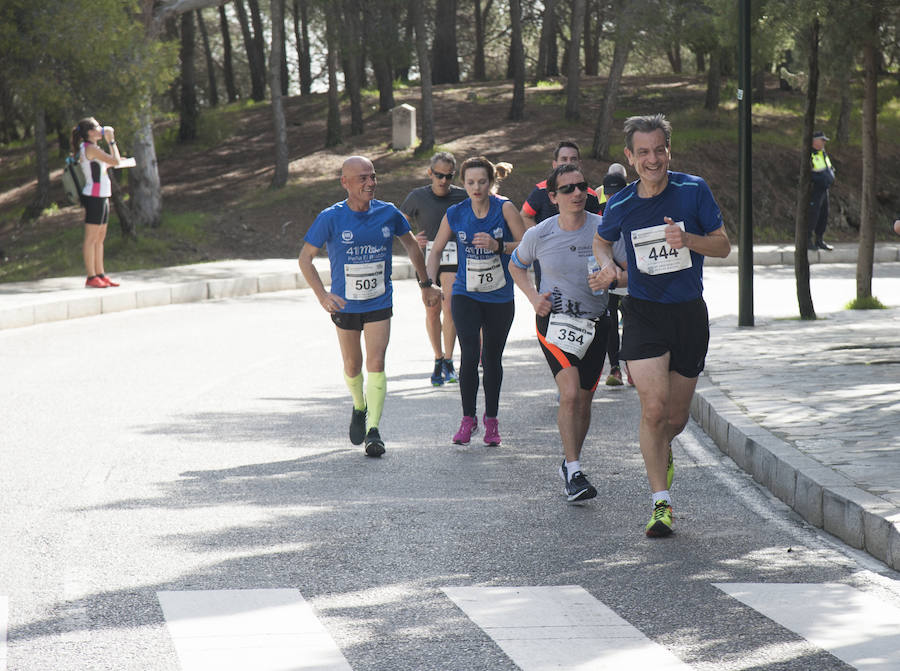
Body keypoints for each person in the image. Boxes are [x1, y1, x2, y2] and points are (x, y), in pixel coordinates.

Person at [592, 114, 731, 538]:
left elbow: (724, 245)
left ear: (669, 151)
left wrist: (688, 240)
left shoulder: (694, 190)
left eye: (660, 150)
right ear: (630, 157)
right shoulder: (619, 204)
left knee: (674, 417)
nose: (653, 160)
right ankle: (660, 504)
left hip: (688, 313)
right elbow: (602, 240)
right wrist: (608, 268)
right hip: (644, 313)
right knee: (652, 410)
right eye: (644, 152)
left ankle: (663, 449)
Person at [299, 156, 441, 457]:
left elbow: (412, 245)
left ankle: (374, 430)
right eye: (362, 178)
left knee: (376, 362)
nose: (370, 183)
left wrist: (426, 284)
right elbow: (305, 259)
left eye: (373, 176)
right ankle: (360, 405)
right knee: (352, 365)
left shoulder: (388, 213)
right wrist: (323, 295)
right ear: (345, 183)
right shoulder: (331, 217)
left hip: (379, 300)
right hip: (345, 304)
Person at [510, 163, 627, 502]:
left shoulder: (604, 229)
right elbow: (516, 264)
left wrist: (612, 278)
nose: (577, 193)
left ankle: (570, 461)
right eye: (568, 189)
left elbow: (627, 273)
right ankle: (575, 471)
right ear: (553, 197)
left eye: (581, 186)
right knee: (571, 394)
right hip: (555, 322)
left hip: (597, 323)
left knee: (585, 401)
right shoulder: (539, 234)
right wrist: (534, 298)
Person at [426, 156, 525, 447]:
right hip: (465, 295)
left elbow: (527, 245)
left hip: (499, 297)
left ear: (491, 182)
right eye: (470, 182)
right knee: (469, 354)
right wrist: (429, 283)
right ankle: (467, 420)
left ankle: (491, 421)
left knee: (491, 359)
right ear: (464, 183)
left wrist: (499, 246)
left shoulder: (504, 208)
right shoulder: (456, 213)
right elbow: (435, 251)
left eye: (482, 181)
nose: (476, 187)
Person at [400, 152, 468, 386]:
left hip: (453, 257)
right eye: (438, 175)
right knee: (432, 309)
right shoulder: (417, 196)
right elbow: (399, 223)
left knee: (450, 306)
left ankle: (449, 360)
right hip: (427, 258)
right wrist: (412, 239)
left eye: (448, 176)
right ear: (430, 173)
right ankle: (438, 358)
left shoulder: (462, 195)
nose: (443, 181)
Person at [520, 141, 602, 287]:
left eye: (573, 159)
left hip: (582, 255)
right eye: (564, 159)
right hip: (549, 254)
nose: (568, 163)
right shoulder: (540, 190)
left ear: (580, 163)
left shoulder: (589, 194)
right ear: (554, 164)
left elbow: (600, 228)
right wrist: (541, 240)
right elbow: (525, 215)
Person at [71, 118, 121, 288]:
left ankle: (100, 274)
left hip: (102, 195)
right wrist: (111, 141)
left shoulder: (93, 149)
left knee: (100, 238)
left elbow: (106, 165)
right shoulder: (90, 148)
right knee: (91, 238)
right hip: (94, 196)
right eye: (97, 127)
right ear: (90, 132)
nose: (101, 129)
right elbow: (115, 161)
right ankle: (91, 276)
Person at [598, 163, 630, 386]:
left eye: (615, 194)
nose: (611, 198)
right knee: (610, 323)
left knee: (629, 321)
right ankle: (615, 368)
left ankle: (630, 366)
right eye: (608, 194)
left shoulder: (636, 205)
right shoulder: (600, 210)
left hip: (632, 275)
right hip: (610, 273)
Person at [808, 130, 835, 252]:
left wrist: (830, 177)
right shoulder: (810, 154)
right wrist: (819, 180)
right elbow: (808, 174)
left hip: (824, 189)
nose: (824, 142)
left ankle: (819, 240)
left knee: (823, 215)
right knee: (812, 215)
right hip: (814, 190)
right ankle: (807, 240)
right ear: (814, 141)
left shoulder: (822, 153)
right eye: (822, 140)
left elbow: (829, 168)